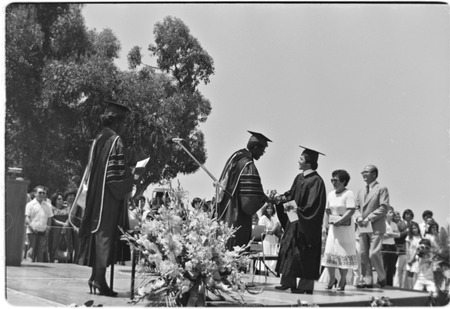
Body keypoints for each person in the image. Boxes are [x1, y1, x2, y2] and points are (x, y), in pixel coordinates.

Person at [77, 100, 136, 297]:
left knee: (99, 235)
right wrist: (131, 176)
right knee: (105, 236)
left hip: (96, 195)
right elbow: (115, 175)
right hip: (109, 198)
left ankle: (96, 278)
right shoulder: (115, 140)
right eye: (124, 122)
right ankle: (100, 281)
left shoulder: (99, 138)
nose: (125, 126)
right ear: (117, 122)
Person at [275, 146, 327, 294]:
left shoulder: (316, 181)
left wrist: (299, 212)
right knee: (289, 249)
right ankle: (287, 282)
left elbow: (313, 206)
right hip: (294, 222)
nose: (298, 160)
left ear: (309, 162)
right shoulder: (299, 178)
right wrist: (281, 199)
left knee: (305, 254)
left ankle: (305, 286)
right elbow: (291, 196)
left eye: (302, 158)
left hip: (307, 225)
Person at [216, 130, 271, 249]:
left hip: (225, 209)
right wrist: (264, 199)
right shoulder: (248, 164)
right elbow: (249, 200)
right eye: (262, 150)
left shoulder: (236, 156)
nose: (262, 153)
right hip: (237, 215)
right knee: (236, 247)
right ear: (255, 147)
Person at [321, 169, 357, 291]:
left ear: (343, 181)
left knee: (343, 254)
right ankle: (331, 278)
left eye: (336, 180)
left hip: (345, 229)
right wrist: (326, 224)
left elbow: (351, 210)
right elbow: (327, 210)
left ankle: (342, 279)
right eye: (332, 180)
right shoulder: (331, 194)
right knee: (330, 253)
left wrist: (340, 220)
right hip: (333, 229)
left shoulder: (349, 194)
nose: (333, 183)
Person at [355, 164, 389, 288]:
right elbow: (356, 208)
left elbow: (384, 207)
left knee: (373, 253)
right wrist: (359, 217)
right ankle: (367, 279)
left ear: (374, 174)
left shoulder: (382, 188)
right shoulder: (360, 191)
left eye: (366, 172)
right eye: (362, 172)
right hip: (363, 226)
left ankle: (381, 276)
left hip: (376, 226)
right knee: (363, 254)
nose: (363, 174)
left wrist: (368, 218)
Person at [25, 185, 54, 262]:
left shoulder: (48, 206)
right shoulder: (30, 205)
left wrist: (48, 228)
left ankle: (40, 268)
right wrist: (31, 227)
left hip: (43, 231)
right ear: (35, 193)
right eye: (40, 192)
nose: (42, 194)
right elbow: (27, 217)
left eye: (44, 193)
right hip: (32, 231)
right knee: (31, 250)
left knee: (40, 251)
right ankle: (29, 266)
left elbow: (50, 218)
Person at [393, 209, 415, 288]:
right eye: (406, 214)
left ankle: (404, 287)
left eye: (409, 214)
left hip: (411, 250)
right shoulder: (399, 224)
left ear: (412, 216)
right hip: (401, 249)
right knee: (399, 269)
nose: (408, 216)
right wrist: (406, 232)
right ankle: (396, 285)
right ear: (404, 215)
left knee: (407, 270)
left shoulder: (414, 224)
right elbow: (396, 236)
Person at [48, 192, 73, 263]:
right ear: (55, 200)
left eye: (62, 199)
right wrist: (63, 224)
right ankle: (51, 261)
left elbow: (69, 217)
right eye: (59, 199)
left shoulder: (67, 208)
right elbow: (53, 220)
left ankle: (64, 261)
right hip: (55, 230)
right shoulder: (52, 208)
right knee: (53, 247)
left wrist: (66, 224)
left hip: (66, 230)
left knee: (65, 247)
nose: (61, 200)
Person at [257, 203, 281, 273]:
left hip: (272, 241)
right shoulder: (263, 218)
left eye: (271, 209)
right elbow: (264, 232)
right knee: (266, 260)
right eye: (268, 208)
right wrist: (275, 227)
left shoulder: (272, 219)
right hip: (266, 241)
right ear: (265, 209)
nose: (270, 210)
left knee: (272, 258)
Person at [381, 206, 400, 286]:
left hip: (392, 246)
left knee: (391, 267)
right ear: (386, 213)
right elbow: (381, 235)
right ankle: (381, 283)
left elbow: (398, 235)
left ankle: (389, 285)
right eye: (390, 212)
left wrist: (389, 234)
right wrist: (392, 234)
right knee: (383, 267)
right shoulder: (382, 223)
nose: (392, 214)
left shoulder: (394, 224)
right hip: (383, 246)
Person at [404, 221, 423, 289]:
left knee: (416, 272)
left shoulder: (421, 237)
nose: (414, 229)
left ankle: (415, 288)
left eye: (415, 228)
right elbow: (407, 248)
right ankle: (410, 288)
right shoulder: (409, 237)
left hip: (417, 257)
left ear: (418, 228)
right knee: (409, 272)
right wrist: (408, 259)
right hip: (409, 256)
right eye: (413, 228)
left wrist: (413, 258)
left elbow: (419, 249)